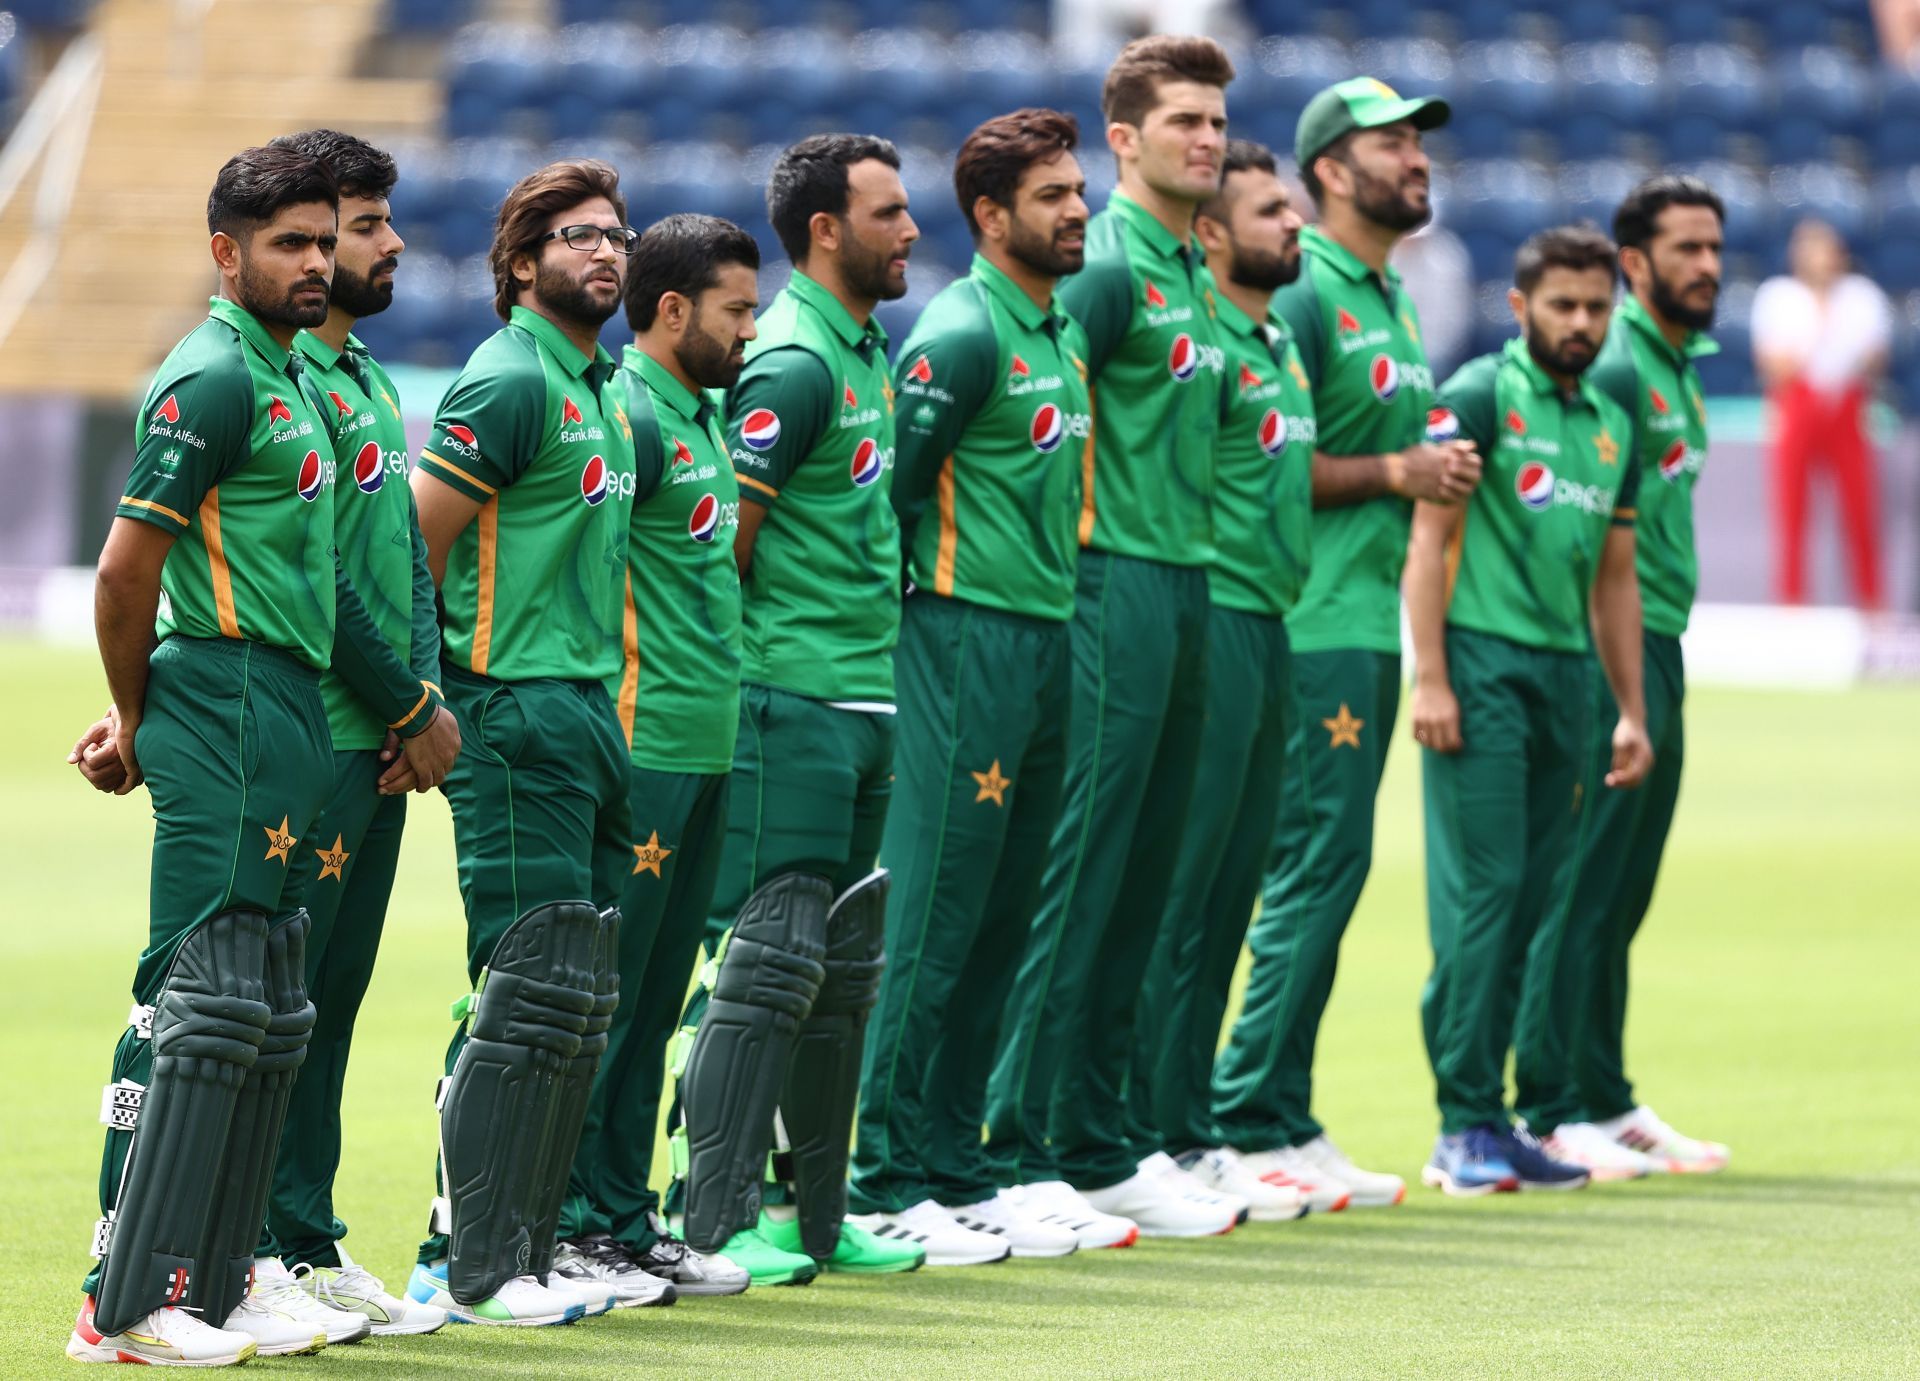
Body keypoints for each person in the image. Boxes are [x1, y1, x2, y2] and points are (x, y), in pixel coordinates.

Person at [67, 143, 455, 1367]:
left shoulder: (291, 376)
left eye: (321, 241)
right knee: (190, 998)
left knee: (262, 1009)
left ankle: (220, 1268)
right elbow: (126, 571)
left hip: (287, 702)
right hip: (228, 692)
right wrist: (136, 719)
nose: (316, 262)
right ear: (226, 252)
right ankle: (116, 1292)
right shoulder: (213, 380)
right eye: (288, 243)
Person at [984, 35, 1245, 1238]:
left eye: (1217, 119)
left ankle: (1099, 1138)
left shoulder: (1195, 267)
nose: (1210, 138)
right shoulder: (1103, 268)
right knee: (1079, 872)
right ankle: (1012, 1138)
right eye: (1184, 120)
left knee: (1149, 873)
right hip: (1108, 587)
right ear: (1126, 140)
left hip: (1194, 581)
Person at [845, 109, 1112, 1262]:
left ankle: (961, 1164)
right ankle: (881, 1171)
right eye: (1053, 194)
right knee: (940, 909)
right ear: (994, 215)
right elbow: (890, 501)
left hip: (1048, 642)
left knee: (1008, 912)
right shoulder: (959, 335)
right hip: (963, 643)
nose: (1078, 209)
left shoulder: (1060, 333)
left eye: (1077, 189)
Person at [1208, 77, 1473, 1213]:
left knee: (1331, 870)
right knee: (1308, 869)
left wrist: (1434, 466)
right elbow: (1274, 458)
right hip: (1310, 621)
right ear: (1328, 171)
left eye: (1419, 142)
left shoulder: (1393, 297)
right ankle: (1246, 1109)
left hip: (1362, 622)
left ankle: (1283, 1109)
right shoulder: (1308, 289)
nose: (1416, 158)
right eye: (1392, 143)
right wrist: (1399, 472)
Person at [672, 133, 926, 1284]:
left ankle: (806, 1216)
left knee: (840, 971)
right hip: (791, 698)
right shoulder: (790, 361)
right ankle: (706, 1219)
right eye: (889, 212)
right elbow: (728, 548)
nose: (912, 228)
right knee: (768, 964)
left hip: (868, 693)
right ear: (826, 229)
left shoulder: (867, 347)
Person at [405, 159, 643, 1325]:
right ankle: (460, 1256)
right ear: (519, 263)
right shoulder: (506, 381)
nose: (606, 251)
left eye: (617, 234)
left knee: (577, 993)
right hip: (510, 712)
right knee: (519, 986)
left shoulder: (598, 388)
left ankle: (523, 1239)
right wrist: (425, 701)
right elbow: (413, 544)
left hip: (592, 711)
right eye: (577, 235)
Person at [238, 128, 455, 1341]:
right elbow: (316, 580)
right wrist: (414, 706)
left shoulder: (365, 375)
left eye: (368, 226)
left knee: (332, 1000)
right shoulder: (285, 386)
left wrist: (419, 696)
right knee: (268, 1005)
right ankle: (250, 1246)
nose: (384, 245)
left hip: (374, 739)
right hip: (315, 734)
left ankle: (306, 1239)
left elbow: (404, 570)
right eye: (364, 225)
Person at [1404, 224, 1652, 1195]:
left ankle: (1493, 1114)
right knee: (1491, 892)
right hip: (1484, 665)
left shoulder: (1611, 420)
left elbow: (1617, 576)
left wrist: (1629, 706)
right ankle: (1462, 1122)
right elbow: (1431, 540)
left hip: (1570, 681)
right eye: (1564, 306)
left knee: (1539, 897)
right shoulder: (1478, 395)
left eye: (1598, 308)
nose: (1582, 324)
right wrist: (1431, 674)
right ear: (1520, 308)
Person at [551, 214, 760, 1300]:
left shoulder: (704, 416)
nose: (750, 331)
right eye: (736, 311)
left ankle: (624, 1218)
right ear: (671, 310)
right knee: (612, 1001)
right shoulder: (626, 415)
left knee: (659, 993)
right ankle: (572, 1219)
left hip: (708, 743)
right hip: (642, 746)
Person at [1513, 176, 1733, 1177]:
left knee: (1622, 888)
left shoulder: (1680, 363)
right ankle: (1548, 1100)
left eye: (1715, 248)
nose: (1709, 266)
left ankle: (1602, 1092)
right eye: (1687, 248)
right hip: (1612, 645)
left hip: (1663, 637)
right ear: (1634, 263)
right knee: (1582, 882)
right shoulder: (1616, 364)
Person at [1129, 139, 1313, 1222]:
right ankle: (1148, 1126)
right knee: (1180, 895)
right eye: (1269, 211)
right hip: (1212, 610)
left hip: (1268, 623)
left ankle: (1191, 1125)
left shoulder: (1272, 337)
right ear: (1208, 232)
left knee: (1229, 888)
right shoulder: (1199, 344)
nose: (1293, 226)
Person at [1752, 217, 1891, 610]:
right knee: (1791, 512)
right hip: (1797, 406)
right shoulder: (1778, 297)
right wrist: (1820, 328)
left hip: (1846, 406)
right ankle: (1792, 604)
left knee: (1861, 510)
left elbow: (1874, 358)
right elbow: (1774, 366)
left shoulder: (1861, 296)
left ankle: (1871, 603)